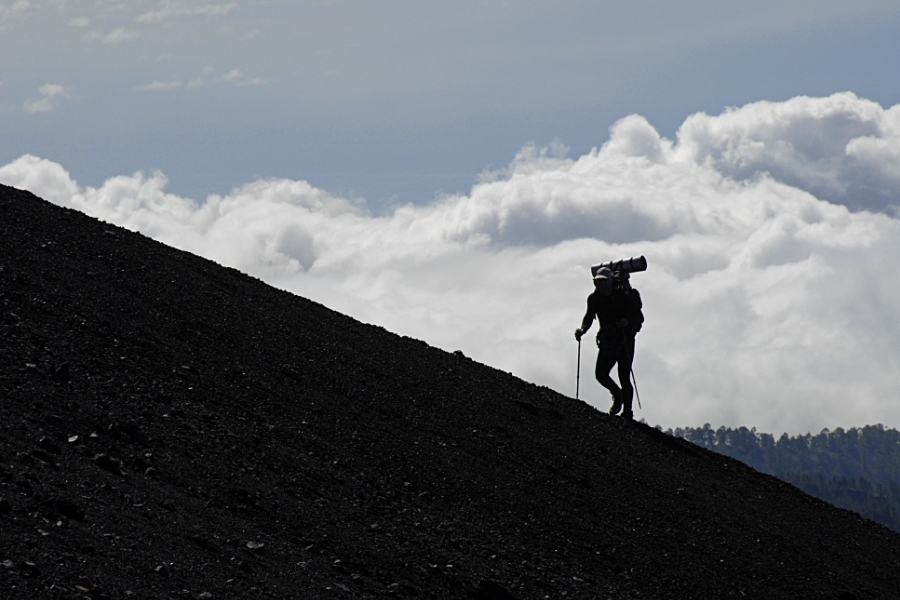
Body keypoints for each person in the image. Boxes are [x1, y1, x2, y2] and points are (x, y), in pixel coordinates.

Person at [574, 267, 643, 419]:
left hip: (625, 341)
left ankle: (627, 411)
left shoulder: (624, 296)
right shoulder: (594, 299)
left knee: (624, 376)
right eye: (598, 283)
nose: (601, 286)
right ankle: (617, 395)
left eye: (603, 282)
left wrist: (627, 322)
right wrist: (583, 329)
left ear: (611, 282)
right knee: (601, 374)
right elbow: (589, 316)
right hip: (609, 341)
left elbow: (638, 317)